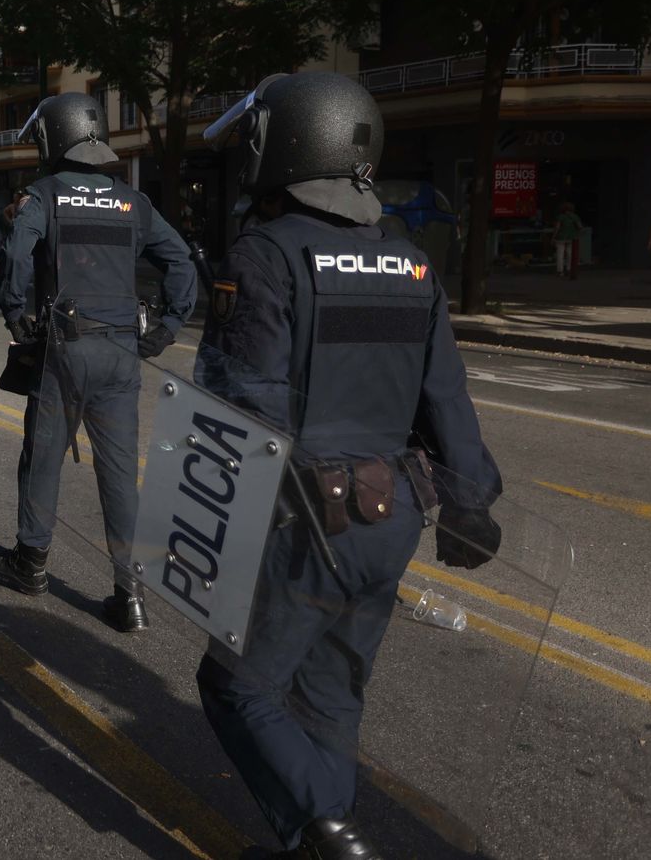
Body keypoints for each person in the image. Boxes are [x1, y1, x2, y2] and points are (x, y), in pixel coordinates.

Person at [193, 72, 502, 860]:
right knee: (331, 691)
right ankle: (321, 835)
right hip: (395, 516)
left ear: (286, 145)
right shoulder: (411, 263)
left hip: (304, 519)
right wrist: (470, 503)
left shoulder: (265, 255)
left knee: (235, 686)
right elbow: (447, 396)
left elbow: (245, 405)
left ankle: (329, 834)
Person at [0, 91, 198, 632]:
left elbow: (16, 256)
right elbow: (181, 262)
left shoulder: (44, 195)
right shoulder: (133, 202)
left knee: (42, 458)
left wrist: (14, 315)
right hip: (122, 351)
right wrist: (169, 327)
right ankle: (130, 594)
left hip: (66, 348)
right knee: (120, 473)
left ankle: (31, 563)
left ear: (54, 137)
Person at [551, 200, 584, 279]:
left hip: (561, 237)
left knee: (560, 254)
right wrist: (577, 234)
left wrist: (553, 237)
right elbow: (580, 227)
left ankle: (560, 271)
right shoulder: (575, 216)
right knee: (570, 254)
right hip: (572, 237)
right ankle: (569, 269)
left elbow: (557, 228)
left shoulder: (561, 217)